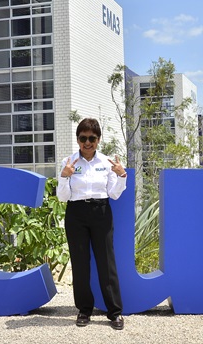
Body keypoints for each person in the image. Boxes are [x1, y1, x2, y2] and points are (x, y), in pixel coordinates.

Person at [57, 118, 127, 330]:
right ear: (77, 139)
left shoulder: (107, 163)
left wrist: (121, 175)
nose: (87, 143)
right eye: (83, 138)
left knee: (107, 263)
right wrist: (64, 176)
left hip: (101, 212)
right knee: (80, 263)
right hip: (76, 213)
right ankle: (84, 310)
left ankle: (114, 313)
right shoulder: (68, 162)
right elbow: (62, 197)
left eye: (92, 138)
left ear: (98, 140)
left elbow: (114, 194)